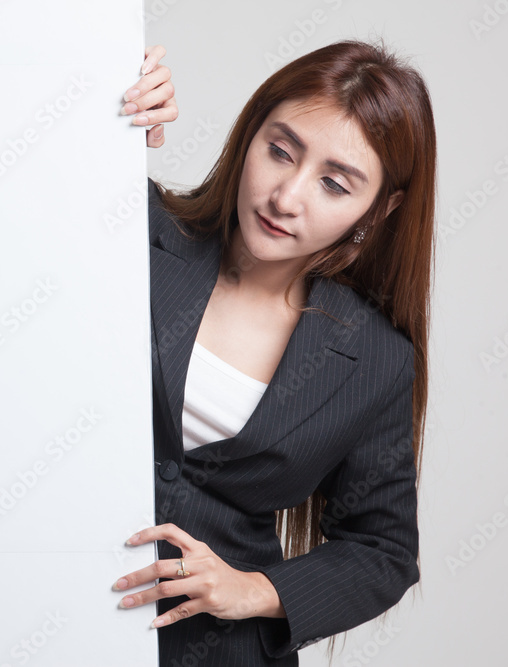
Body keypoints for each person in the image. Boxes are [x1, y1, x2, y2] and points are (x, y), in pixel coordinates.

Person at [116, 40, 435, 666]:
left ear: (380, 208)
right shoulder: (132, 228)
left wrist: (253, 590)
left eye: (334, 184)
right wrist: (109, 123)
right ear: (249, 133)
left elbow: (383, 551)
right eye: (280, 150)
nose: (286, 197)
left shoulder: (375, 359)